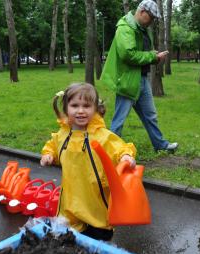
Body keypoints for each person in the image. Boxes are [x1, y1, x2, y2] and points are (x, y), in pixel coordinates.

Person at [40, 83, 136, 241]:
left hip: (95, 197)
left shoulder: (101, 135)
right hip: (71, 197)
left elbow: (118, 146)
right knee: (72, 238)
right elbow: (53, 146)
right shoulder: (63, 134)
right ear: (66, 108)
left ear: (95, 108)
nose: (80, 111)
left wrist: (125, 155)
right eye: (74, 105)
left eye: (86, 106)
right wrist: (48, 155)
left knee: (98, 237)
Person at [101, 0, 178, 152]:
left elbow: (141, 51)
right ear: (142, 11)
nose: (152, 21)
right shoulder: (125, 28)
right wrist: (151, 57)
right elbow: (128, 54)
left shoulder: (142, 29)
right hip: (128, 81)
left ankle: (161, 146)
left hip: (142, 79)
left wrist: (154, 56)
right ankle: (108, 151)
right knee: (119, 120)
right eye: (151, 17)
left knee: (150, 116)